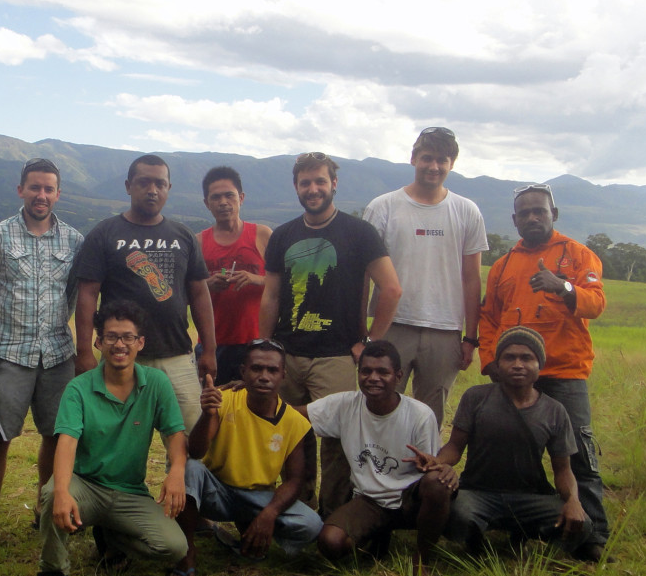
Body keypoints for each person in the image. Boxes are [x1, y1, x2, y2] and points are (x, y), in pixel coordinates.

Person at [260, 151, 402, 517]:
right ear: (296, 187)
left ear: (334, 183)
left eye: (320, 181)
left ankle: (334, 515)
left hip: (337, 354)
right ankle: (298, 513)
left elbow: (391, 289)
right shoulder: (283, 236)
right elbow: (272, 294)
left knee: (337, 441)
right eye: (305, 182)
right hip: (288, 352)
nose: (313, 189)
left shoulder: (359, 233)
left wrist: (369, 343)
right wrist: (264, 346)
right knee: (290, 435)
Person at [478, 183, 610, 561]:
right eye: (526, 213)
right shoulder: (503, 265)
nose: (533, 217)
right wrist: (490, 360)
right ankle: (524, 527)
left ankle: (591, 536)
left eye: (541, 211)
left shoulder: (579, 256)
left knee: (577, 453)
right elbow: (488, 317)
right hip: (514, 376)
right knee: (515, 453)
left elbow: (596, 303)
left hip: (565, 372)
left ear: (555, 214)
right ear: (515, 220)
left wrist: (563, 286)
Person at [29, 300, 188, 576]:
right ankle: (52, 571)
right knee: (51, 495)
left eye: (128, 337)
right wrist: (62, 490)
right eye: (112, 337)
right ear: (98, 341)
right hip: (86, 485)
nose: (120, 345)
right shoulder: (79, 388)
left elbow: (174, 435)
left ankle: (110, 535)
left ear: (140, 343)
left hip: (129, 490)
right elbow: (66, 443)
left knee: (174, 547)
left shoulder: (156, 383)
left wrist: (177, 470)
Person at [0, 158, 85, 559]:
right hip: (8, 354)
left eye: (49, 188)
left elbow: (71, 296)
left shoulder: (73, 240)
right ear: (21, 190)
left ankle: (44, 508)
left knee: (56, 435)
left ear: (58, 193)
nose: (42, 195)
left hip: (56, 354)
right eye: (34, 187)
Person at [424, 326, 596, 560]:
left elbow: (563, 470)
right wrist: (436, 462)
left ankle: (528, 542)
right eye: (509, 357)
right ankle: (478, 544)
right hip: (478, 492)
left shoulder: (555, 411)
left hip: (530, 497)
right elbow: (455, 447)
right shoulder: (476, 397)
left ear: (540, 365)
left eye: (527, 358)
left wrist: (573, 501)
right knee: (455, 515)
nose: (517, 364)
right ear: (497, 364)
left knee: (582, 524)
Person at [72, 154, 216, 432]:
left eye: (160, 184)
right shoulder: (104, 233)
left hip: (176, 353)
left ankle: (182, 477)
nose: (152, 190)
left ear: (169, 188)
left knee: (192, 438)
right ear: (128, 186)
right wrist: (84, 351)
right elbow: (87, 294)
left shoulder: (183, 235)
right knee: (114, 437)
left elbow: (199, 294)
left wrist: (209, 349)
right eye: (144, 183)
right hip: (120, 354)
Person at [170, 338, 323, 576]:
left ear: (283, 374)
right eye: (256, 368)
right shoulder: (225, 398)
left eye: (272, 370)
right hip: (217, 491)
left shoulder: (295, 422)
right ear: (243, 371)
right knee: (189, 468)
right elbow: (196, 451)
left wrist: (269, 514)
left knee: (311, 525)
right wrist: (207, 416)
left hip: (258, 496)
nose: (264, 376)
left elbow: (294, 480)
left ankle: (248, 531)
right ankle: (187, 550)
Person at [363, 127, 487, 426]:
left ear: (452, 164)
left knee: (430, 417)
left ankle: (424, 472)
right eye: (427, 158)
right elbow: (363, 276)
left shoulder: (467, 211)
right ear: (413, 159)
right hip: (392, 326)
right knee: (379, 407)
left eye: (442, 160)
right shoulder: (383, 207)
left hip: (444, 331)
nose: (434, 167)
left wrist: (470, 337)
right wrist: (364, 333)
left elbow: (472, 278)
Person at [309, 341, 447, 576]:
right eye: (366, 371)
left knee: (437, 483)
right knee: (330, 543)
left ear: (398, 376)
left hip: (409, 496)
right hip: (370, 500)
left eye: (383, 372)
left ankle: (422, 560)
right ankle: (373, 539)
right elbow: (291, 413)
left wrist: (430, 464)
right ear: (358, 373)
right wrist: (249, 393)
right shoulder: (344, 405)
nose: (373, 378)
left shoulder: (420, 414)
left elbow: (433, 466)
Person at [197, 166, 272, 385]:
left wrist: (256, 279)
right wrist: (208, 284)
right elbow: (187, 291)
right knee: (214, 407)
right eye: (216, 197)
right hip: (213, 344)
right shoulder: (199, 242)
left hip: (256, 343)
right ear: (206, 203)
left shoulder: (261, 235)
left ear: (241, 198)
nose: (223, 202)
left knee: (255, 409)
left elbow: (284, 284)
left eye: (229, 195)